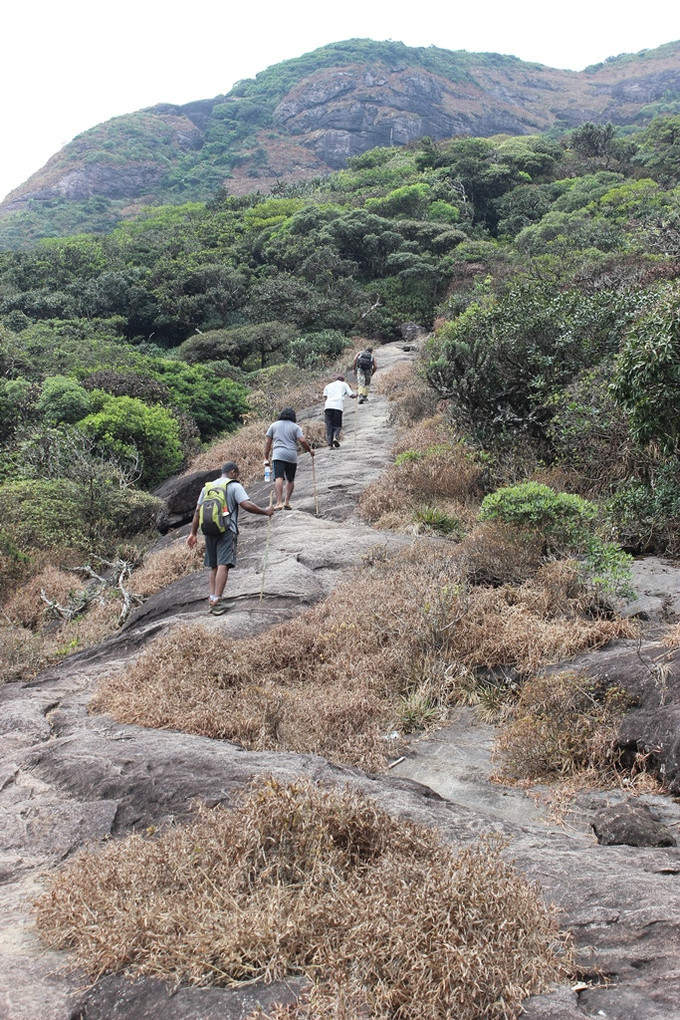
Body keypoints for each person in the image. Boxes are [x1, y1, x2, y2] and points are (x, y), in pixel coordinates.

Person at [187, 461, 274, 615]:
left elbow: (197, 511)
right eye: (237, 473)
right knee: (223, 564)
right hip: (227, 529)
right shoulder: (233, 485)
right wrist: (265, 512)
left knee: (214, 566)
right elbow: (246, 505)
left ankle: (212, 599)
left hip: (208, 529)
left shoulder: (207, 487)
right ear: (233, 472)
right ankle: (218, 601)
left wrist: (193, 533)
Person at [263, 407, 314, 511]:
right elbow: (302, 441)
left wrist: (266, 457)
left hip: (278, 455)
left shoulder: (274, 425)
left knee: (279, 477)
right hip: (291, 455)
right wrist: (310, 451)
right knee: (290, 479)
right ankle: (287, 502)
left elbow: (268, 443)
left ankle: (278, 503)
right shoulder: (296, 427)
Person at [322, 374, 356, 448]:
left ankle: (330, 444)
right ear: (343, 380)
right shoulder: (344, 384)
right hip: (338, 406)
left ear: (336, 379)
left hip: (328, 407)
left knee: (329, 425)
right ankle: (335, 437)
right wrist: (357, 395)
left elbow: (325, 396)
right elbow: (351, 395)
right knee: (337, 425)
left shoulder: (328, 385)